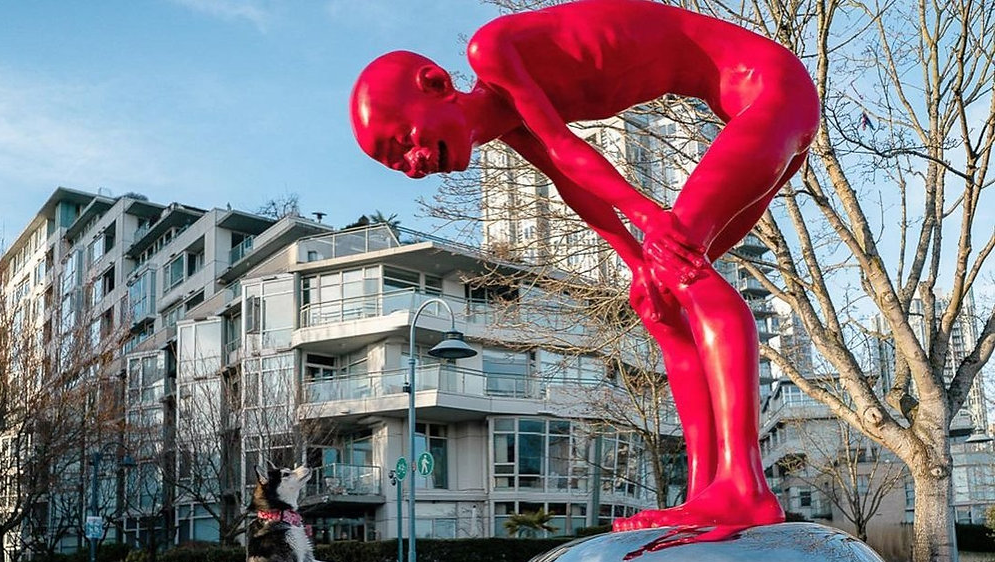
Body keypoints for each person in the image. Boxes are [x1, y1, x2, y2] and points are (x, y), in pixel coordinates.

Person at [350, 0, 820, 535]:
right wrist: (632, 258)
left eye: (402, 141)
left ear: (433, 82)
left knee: (680, 268)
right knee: (662, 303)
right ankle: (705, 488)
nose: (413, 165)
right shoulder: (511, 125)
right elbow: (573, 185)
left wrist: (650, 224)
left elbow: (569, 150)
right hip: (771, 108)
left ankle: (745, 486)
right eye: (396, 164)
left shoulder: (493, 50)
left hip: (772, 91)